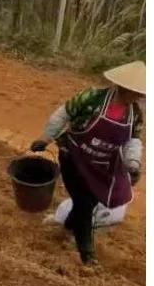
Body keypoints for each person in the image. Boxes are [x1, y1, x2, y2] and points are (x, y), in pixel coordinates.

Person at [30, 61, 145, 264]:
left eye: (139, 94)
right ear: (123, 87)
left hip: (100, 163)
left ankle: (65, 229)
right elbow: (64, 113)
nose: (137, 97)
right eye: (134, 92)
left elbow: (132, 140)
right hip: (73, 155)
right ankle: (87, 254)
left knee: (89, 201)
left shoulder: (134, 114)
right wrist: (45, 138)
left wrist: (133, 164)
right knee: (83, 201)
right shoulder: (92, 98)